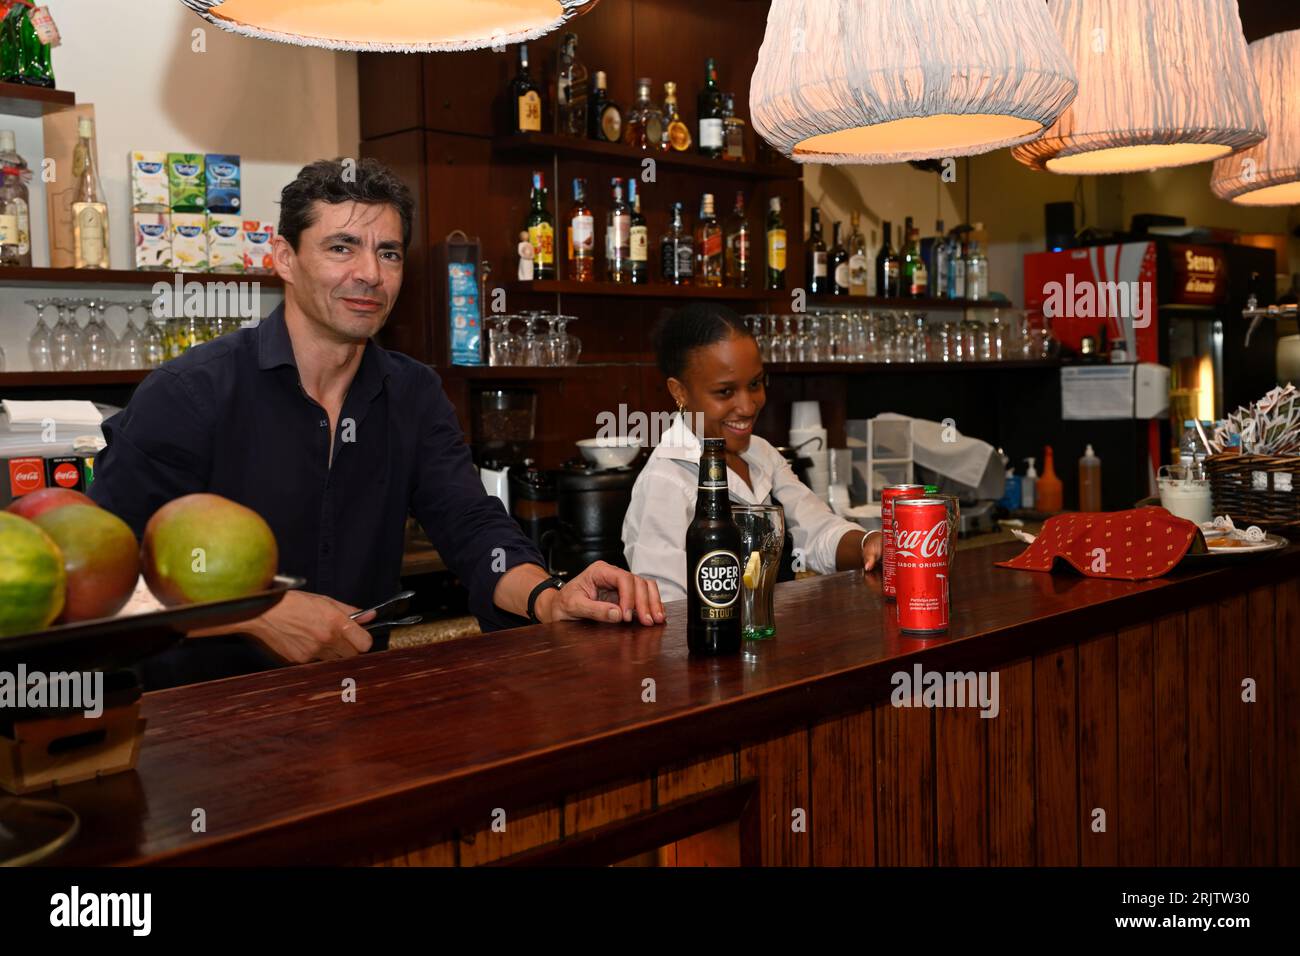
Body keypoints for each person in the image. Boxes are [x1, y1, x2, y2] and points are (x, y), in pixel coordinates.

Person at [91, 158, 663, 688]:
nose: (370, 273)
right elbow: (101, 584)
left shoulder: (411, 393)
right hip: (201, 726)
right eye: (342, 247)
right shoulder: (191, 393)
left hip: (354, 713)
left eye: (388, 253)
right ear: (283, 257)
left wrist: (548, 598)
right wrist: (260, 614)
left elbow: (470, 526)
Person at [622, 303, 881, 603]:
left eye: (755, 384)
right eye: (725, 392)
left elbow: (816, 530)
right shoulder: (666, 480)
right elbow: (666, 609)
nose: (748, 407)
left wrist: (867, 543)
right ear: (679, 392)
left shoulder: (760, 453)